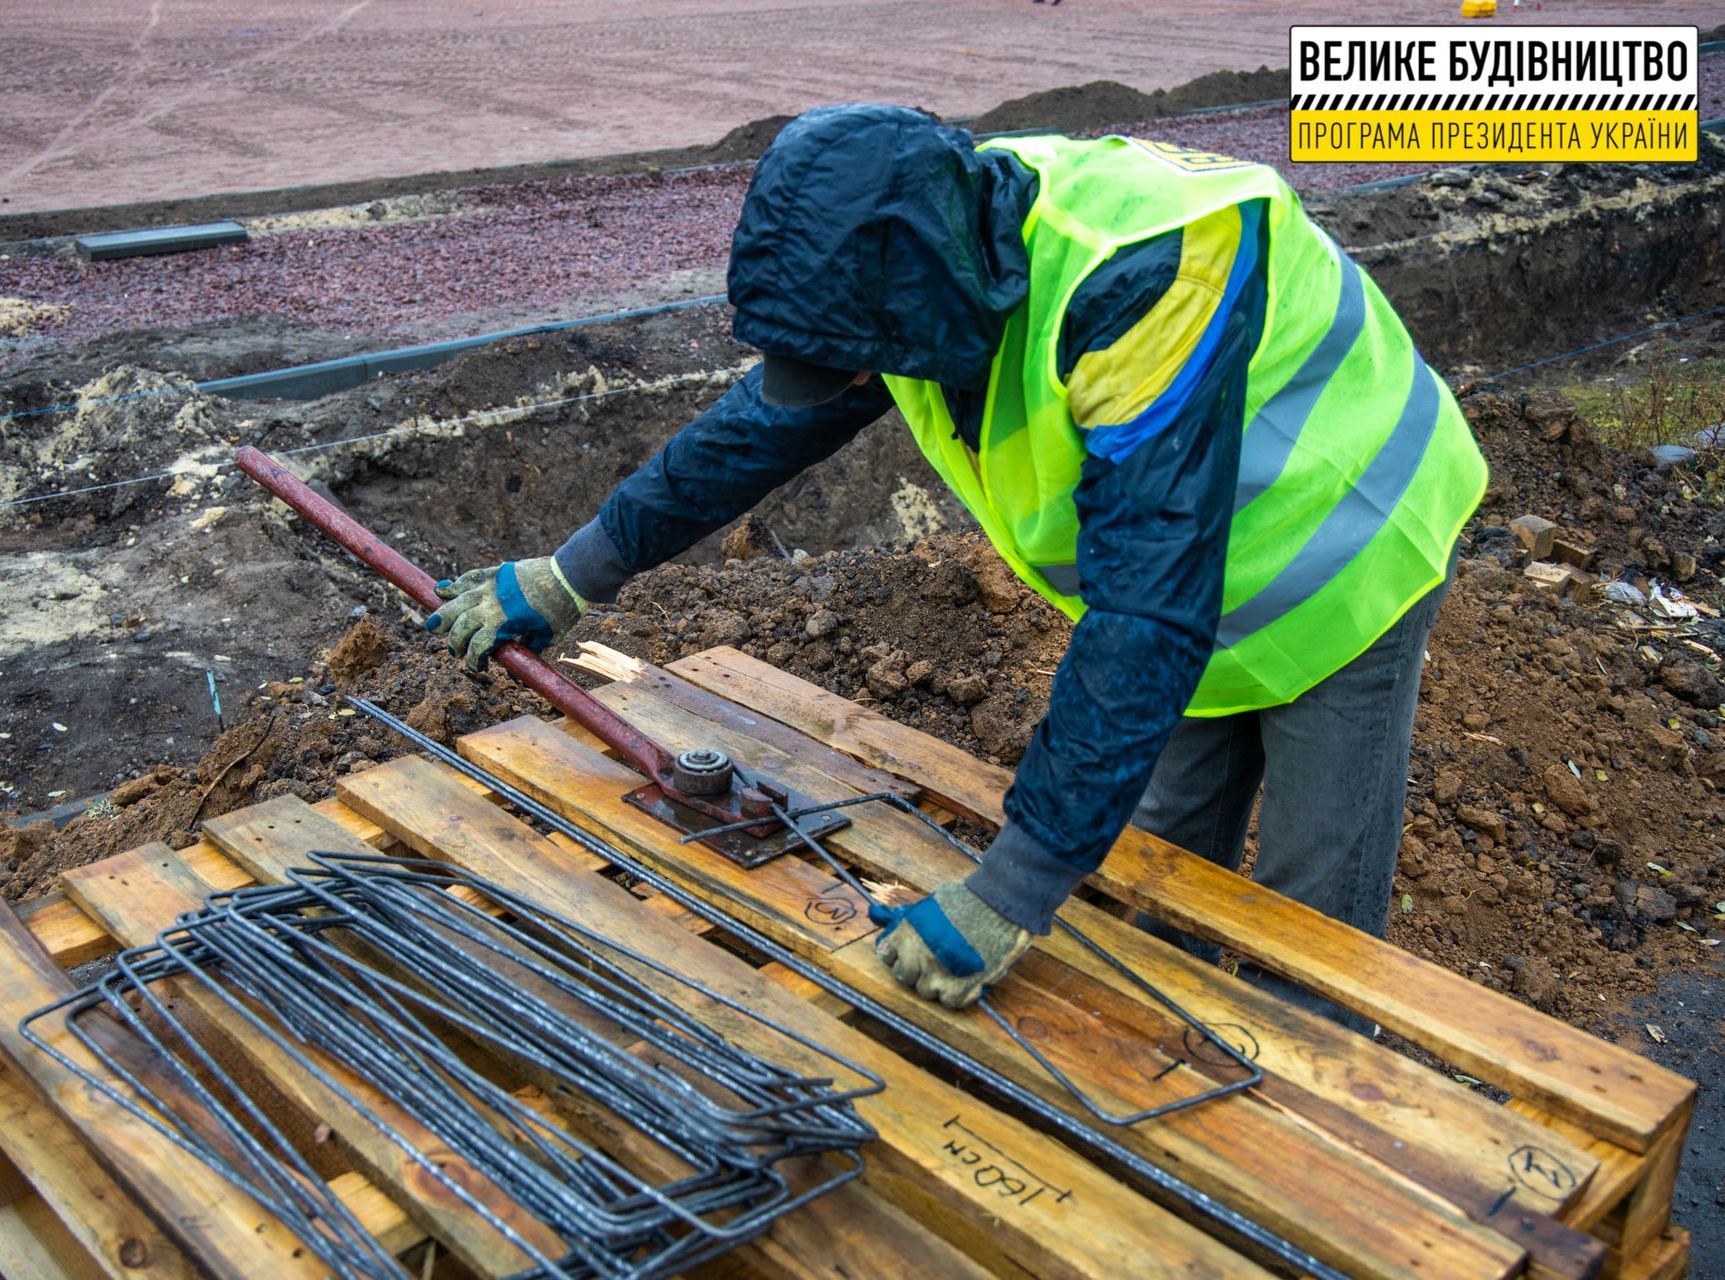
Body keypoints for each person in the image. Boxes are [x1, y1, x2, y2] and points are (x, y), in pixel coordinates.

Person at [427, 104, 1486, 1028]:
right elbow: (762, 426)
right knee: (1158, 868)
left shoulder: (1141, 275)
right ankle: (1170, 1089)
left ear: (920, 300)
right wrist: (577, 571)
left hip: (1343, 552)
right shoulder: (921, 255)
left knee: (1307, 916)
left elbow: (1148, 610)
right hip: (1181, 592)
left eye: (855, 356)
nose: (848, 377)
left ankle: (1320, 1149)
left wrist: (1013, 886)